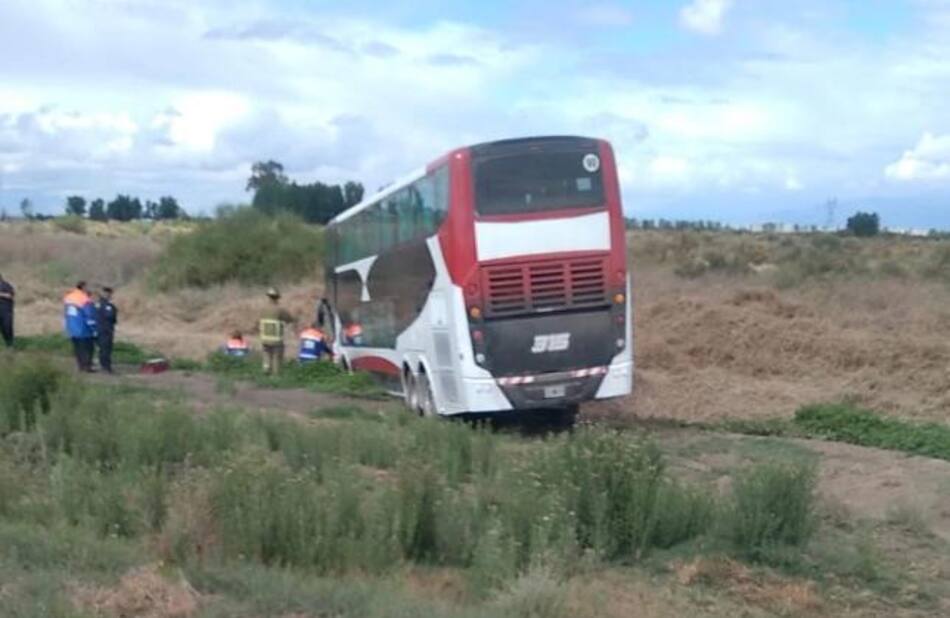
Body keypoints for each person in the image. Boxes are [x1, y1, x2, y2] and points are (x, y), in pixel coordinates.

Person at [259, 287, 295, 374]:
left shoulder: (263, 309)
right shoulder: (280, 310)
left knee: (266, 354)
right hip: (276, 339)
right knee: (277, 357)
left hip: (264, 338)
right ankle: (276, 375)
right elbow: (289, 319)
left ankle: (266, 368)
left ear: (268, 297)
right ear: (277, 298)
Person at [63, 281, 97, 372]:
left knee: (77, 349)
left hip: (72, 328)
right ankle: (87, 367)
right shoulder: (84, 299)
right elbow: (89, 315)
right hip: (83, 329)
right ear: (83, 287)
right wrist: (94, 329)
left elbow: (66, 313)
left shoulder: (68, 297)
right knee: (87, 349)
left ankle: (80, 366)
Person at [96, 287, 118, 373]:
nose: (110, 295)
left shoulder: (98, 303)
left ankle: (104, 365)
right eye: (109, 294)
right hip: (106, 329)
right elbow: (110, 316)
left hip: (101, 328)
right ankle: (106, 366)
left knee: (103, 348)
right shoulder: (106, 305)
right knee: (106, 348)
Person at [0, 273, 14, 349]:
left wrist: (1, 294)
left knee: (7, 328)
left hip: (6, 311)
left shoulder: (6, 285)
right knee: (2, 329)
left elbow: (10, 296)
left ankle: (10, 344)